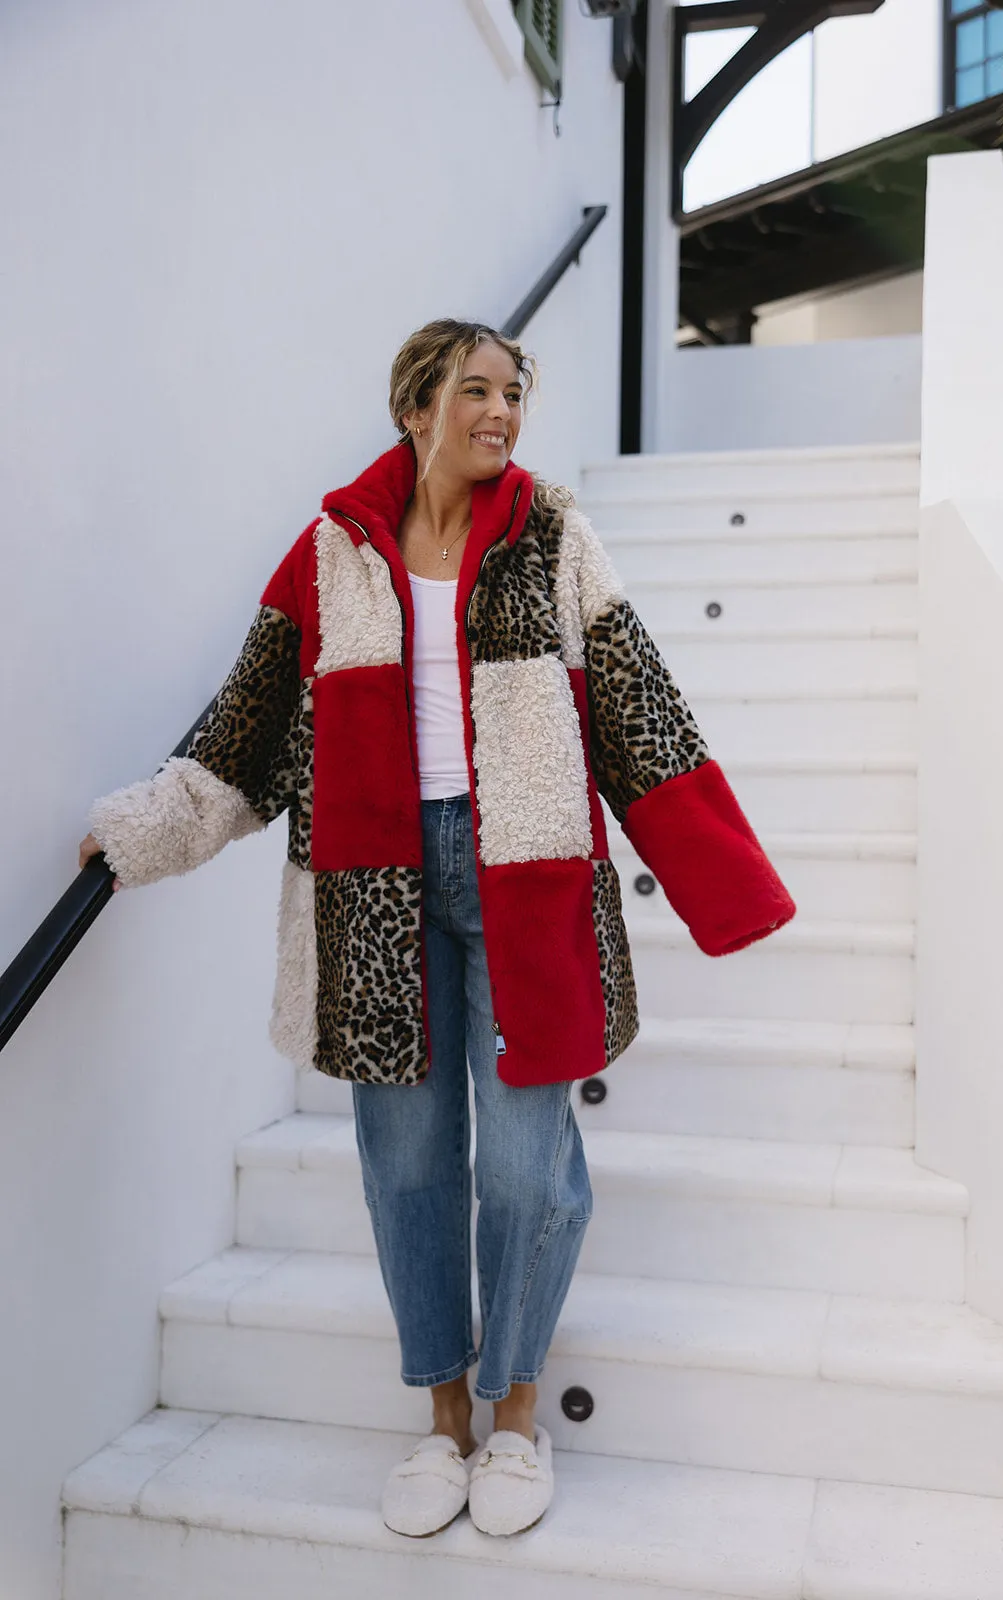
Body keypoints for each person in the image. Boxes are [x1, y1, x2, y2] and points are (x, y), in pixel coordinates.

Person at [79, 317, 796, 1539]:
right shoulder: (330, 551)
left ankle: (516, 1414)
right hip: (376, 894)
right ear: (416, 405)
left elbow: (640, 713)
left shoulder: (554, 536)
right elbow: (245, 732)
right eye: (476, 389)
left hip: (526, 875)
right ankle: (445, 1418)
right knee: (407, 1172)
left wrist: (723, 879)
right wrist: (139, 828)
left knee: (526, 1168)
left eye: (514, 392)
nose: (500, 412)